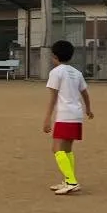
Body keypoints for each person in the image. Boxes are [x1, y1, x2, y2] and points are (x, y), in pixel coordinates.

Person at [43, 39, 93, 195]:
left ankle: (71, 181)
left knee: (56, 149)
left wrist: (47, 118)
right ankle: (68, 179)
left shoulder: (56, 72)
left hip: (64, 115)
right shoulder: (76, 73)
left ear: (55, 56)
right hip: (76, 115)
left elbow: (53, 98)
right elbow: (85, 93)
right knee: (67, 150)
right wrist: (88, 109)